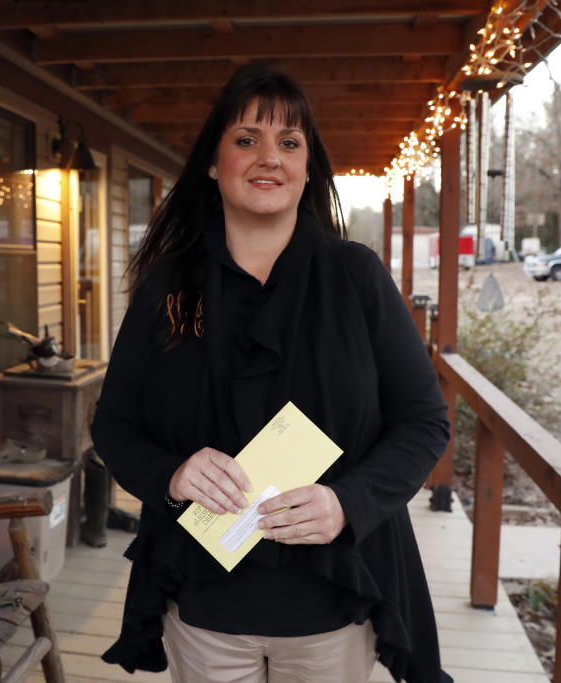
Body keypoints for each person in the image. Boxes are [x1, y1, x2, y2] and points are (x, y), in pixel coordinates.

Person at [90, 64, 452, 683]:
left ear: (307, 167)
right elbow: (115, 426)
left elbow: (423, 422)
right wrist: (173, 474)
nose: (269, 158)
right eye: (246, 139)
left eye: (289, 142)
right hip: (204, 604)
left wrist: (347, 502)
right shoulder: (168, 288)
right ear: (213, 161)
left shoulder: (355, 277)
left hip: (332, 601)